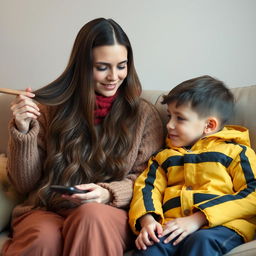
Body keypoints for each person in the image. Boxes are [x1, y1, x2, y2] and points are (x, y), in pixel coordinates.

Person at [2, 18, 164, 256]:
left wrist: (108, 193)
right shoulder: (49, 108)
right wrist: (23, 130)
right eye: (102, 67)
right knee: (43, 239)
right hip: (48, 209)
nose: (113, 77)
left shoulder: (143, 115)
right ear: (82, 66)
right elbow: (24, 184)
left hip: (109, 212)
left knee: (90, 217)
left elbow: (147, 178)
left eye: (121, 65)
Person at [129, 75, 256, 256]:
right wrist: (148, 221)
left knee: (202, 241)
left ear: (209, 125)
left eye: (179, 118)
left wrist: (198, 219)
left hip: (223, 227)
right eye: (169, 117)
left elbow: (253, 193)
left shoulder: (236, 152)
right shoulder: (163, 157)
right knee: (149, 247)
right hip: (173, 227)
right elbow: (146, 188)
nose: (169, 125)